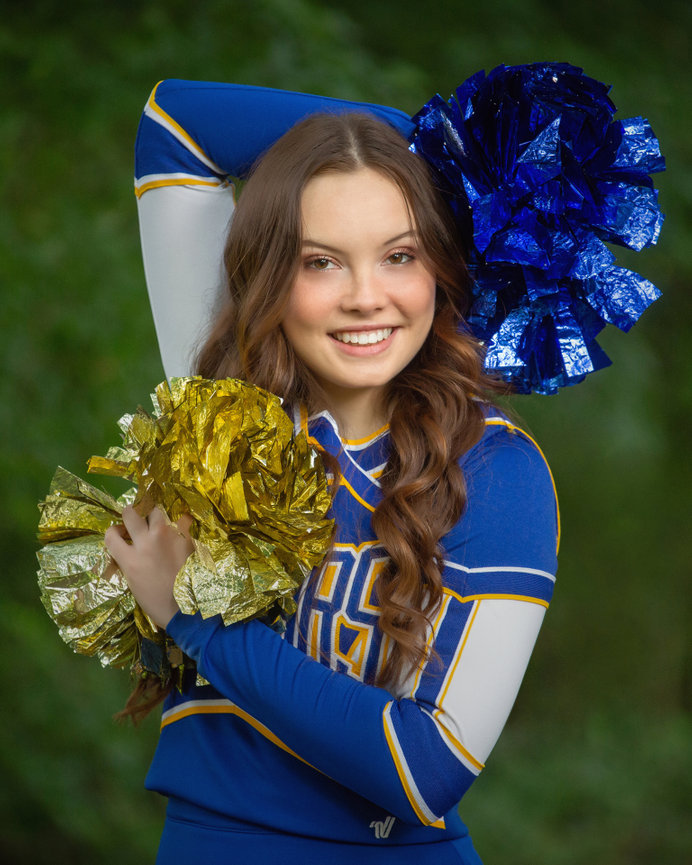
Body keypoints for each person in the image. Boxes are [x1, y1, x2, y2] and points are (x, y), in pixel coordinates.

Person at [105, 80, 559, 864]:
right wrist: (417, 142)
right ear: (272, 275)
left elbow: (426, 769)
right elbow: (175, 123)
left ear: (439, 271)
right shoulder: (226, 413)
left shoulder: (497, 467)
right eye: (321, 261)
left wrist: (198, 621)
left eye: (399, 255)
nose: (365, 298)